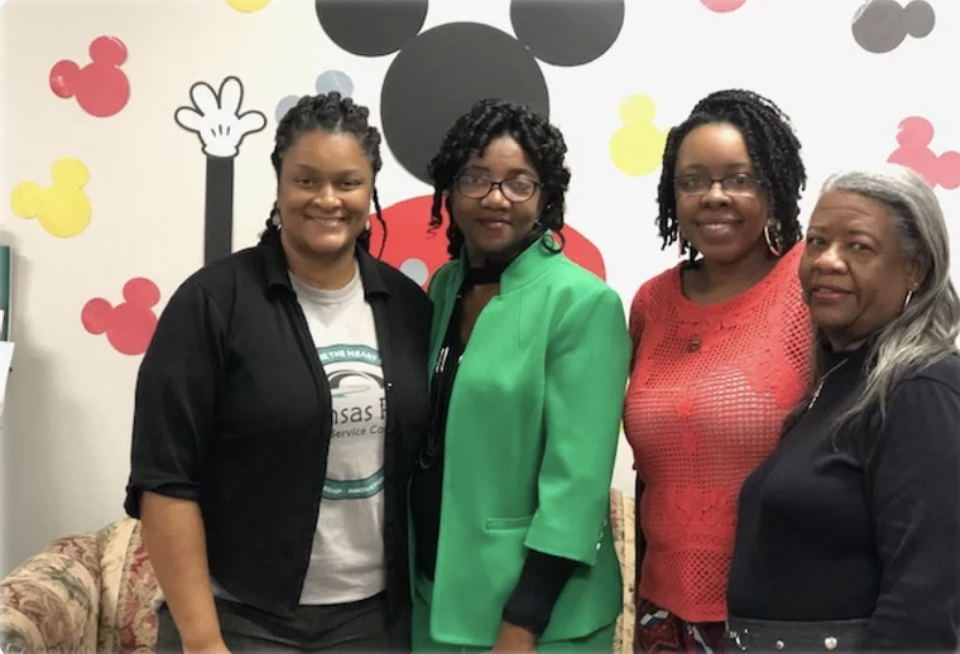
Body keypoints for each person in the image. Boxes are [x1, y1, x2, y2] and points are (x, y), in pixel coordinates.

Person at [124, 92, 433, 653]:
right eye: (306, 179)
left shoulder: (410, 309)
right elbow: (164, 480)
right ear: (279, 181)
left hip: (373, 623)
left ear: (371, 189)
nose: (327, 199)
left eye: (348, 182)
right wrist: (202, 640)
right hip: (237, 618)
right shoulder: (212, 304)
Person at [408, 98, 631, 653]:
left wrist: (523, 621)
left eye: (518, 183)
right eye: (475, 179)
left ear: (545, 196)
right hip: (434, 600)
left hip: (537, 621)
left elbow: (576, 485)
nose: (494, 198)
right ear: (450, 189)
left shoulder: (582, 303)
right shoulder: (442, 288)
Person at [726, 164, 960, 653]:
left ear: (914, 268)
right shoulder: (835, 381)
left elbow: (924, 601)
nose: (827, 261)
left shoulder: (922, 388)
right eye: (816, 242)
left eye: (859, 246)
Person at [622, 89, 813, 653]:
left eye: (739, 178)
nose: (715, 196)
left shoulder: (811, 288)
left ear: (774, 185)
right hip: (662, 617)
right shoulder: (651, 304)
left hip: (780, 615)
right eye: (693, 181)